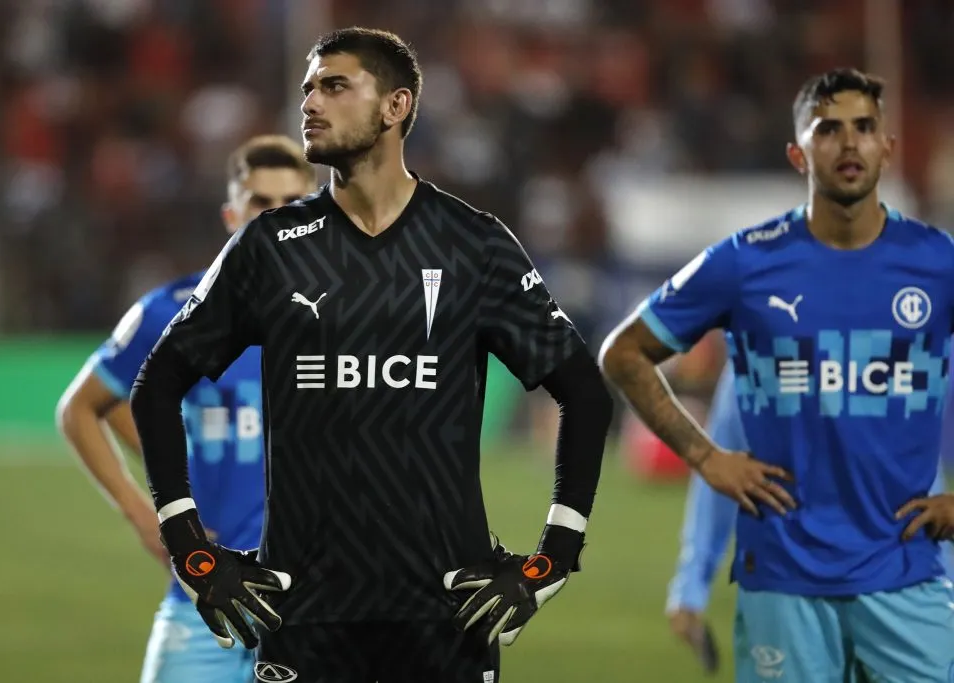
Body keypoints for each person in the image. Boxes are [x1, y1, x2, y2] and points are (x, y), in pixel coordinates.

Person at [129, 27, 612, 683]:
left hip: (448, 614)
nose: (310, 103)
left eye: (334, 86)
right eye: (307, 89)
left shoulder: (473, 244)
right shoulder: (272, 247)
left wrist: (553, 557)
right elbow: (158, 383)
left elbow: (584, 392)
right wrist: (191, 548)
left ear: (396, 106)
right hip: (304, 618)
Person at [600, 67, 954, 682]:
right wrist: (708, 458)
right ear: (798, 153)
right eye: (828, 130)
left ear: (887, 148)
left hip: (908, 577)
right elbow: (623, 354)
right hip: (784, 586)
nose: (849, 144)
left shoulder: (938, 263)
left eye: (865, 128)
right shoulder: (745, 262)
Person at [56, 134, 316, 683]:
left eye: (292, 204)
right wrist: (140, 510)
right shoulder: (173, 312)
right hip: (206, 594)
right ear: (231, 214)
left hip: (321, 605)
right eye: (261, 204)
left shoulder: (359, 318)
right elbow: (81, 408)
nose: (276, 219)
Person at [665, 364, 953, 677]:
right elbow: (724, 462)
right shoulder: (760, 342)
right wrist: (691, 584)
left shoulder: (920, 328)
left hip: (912, 584)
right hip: (796, 590)